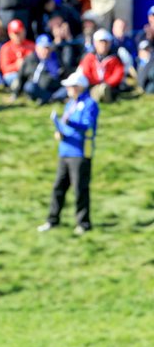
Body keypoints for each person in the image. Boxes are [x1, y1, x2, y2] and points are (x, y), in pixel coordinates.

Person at [37, 72, 98, 235]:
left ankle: (83, 224)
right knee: (58, 187)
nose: (68, 89)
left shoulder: (90, 104)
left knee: (80, 189)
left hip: (80, 152)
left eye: (70, 86)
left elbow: (87, 125)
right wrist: (60, 130)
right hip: (65, 151)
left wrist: (68, 122)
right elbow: (66, 125)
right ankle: (52, 220)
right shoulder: (70, 104)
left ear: (79, 87)